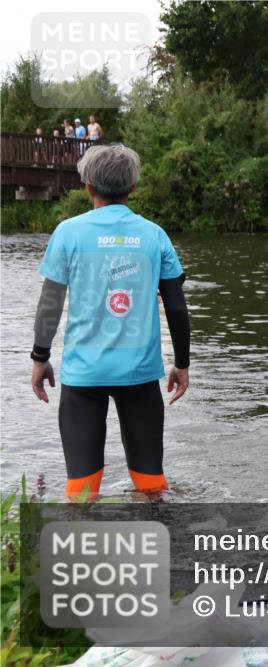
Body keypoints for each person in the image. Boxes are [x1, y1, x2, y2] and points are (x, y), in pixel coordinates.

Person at [30, 144, 191, 500]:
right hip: (140, 373)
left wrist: (40, 358)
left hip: (83, 376)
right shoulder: (154, 235)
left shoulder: (68, 233)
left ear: (88, 186)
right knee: (151, 486)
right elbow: (177, 307)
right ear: (133, 188)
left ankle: (86, 552)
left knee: (82, 491)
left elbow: (50, 304)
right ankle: (161, 547)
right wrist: (182, 364)